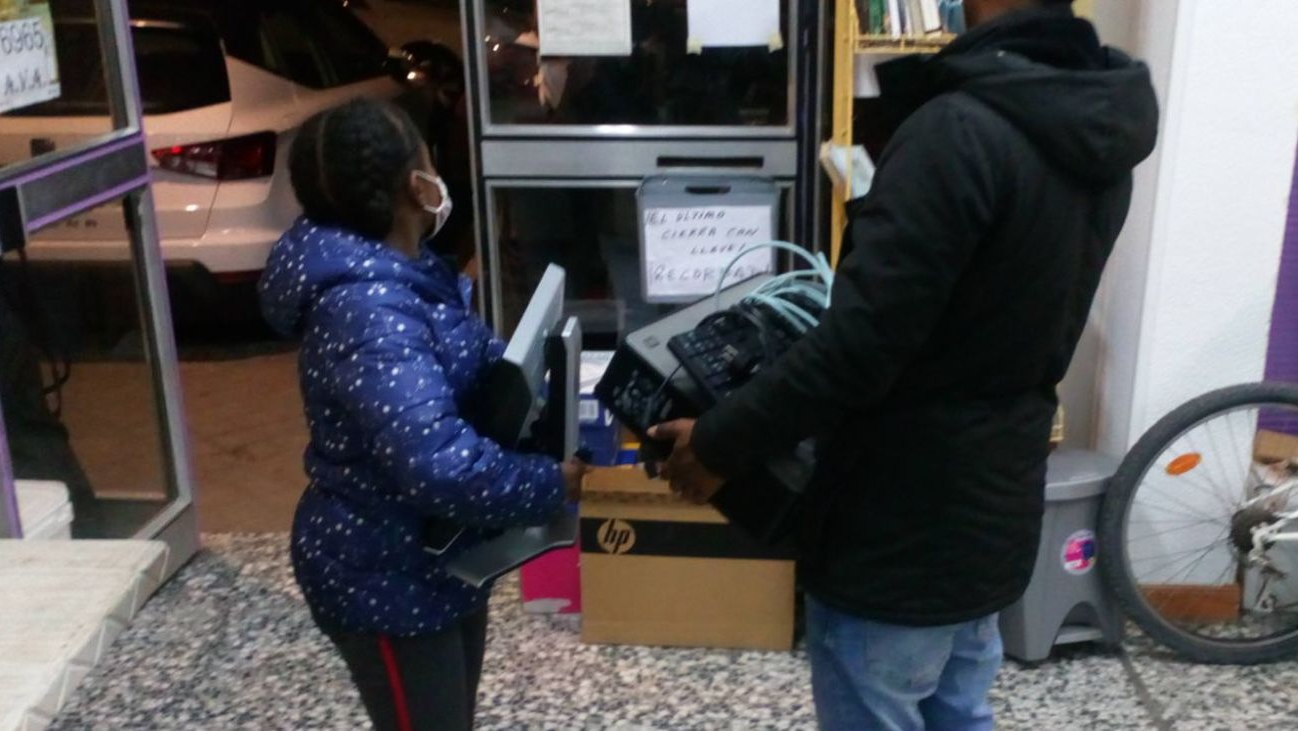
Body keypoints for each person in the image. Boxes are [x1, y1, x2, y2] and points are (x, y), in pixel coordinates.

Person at [651, 1, 1158, 729]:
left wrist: (721, 440)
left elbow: (859, 348)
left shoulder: (959, 130)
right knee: (958, 707)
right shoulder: (1092, 123)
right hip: (994, 503)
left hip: (898, 523)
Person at [258, 98, 585, 731]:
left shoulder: (403, 270)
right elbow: (436, 464)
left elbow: (458, 354)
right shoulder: (366, 309)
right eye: (428, 159)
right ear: (417, 185)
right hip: (383, 575)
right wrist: (548, 485)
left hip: (435, 557)